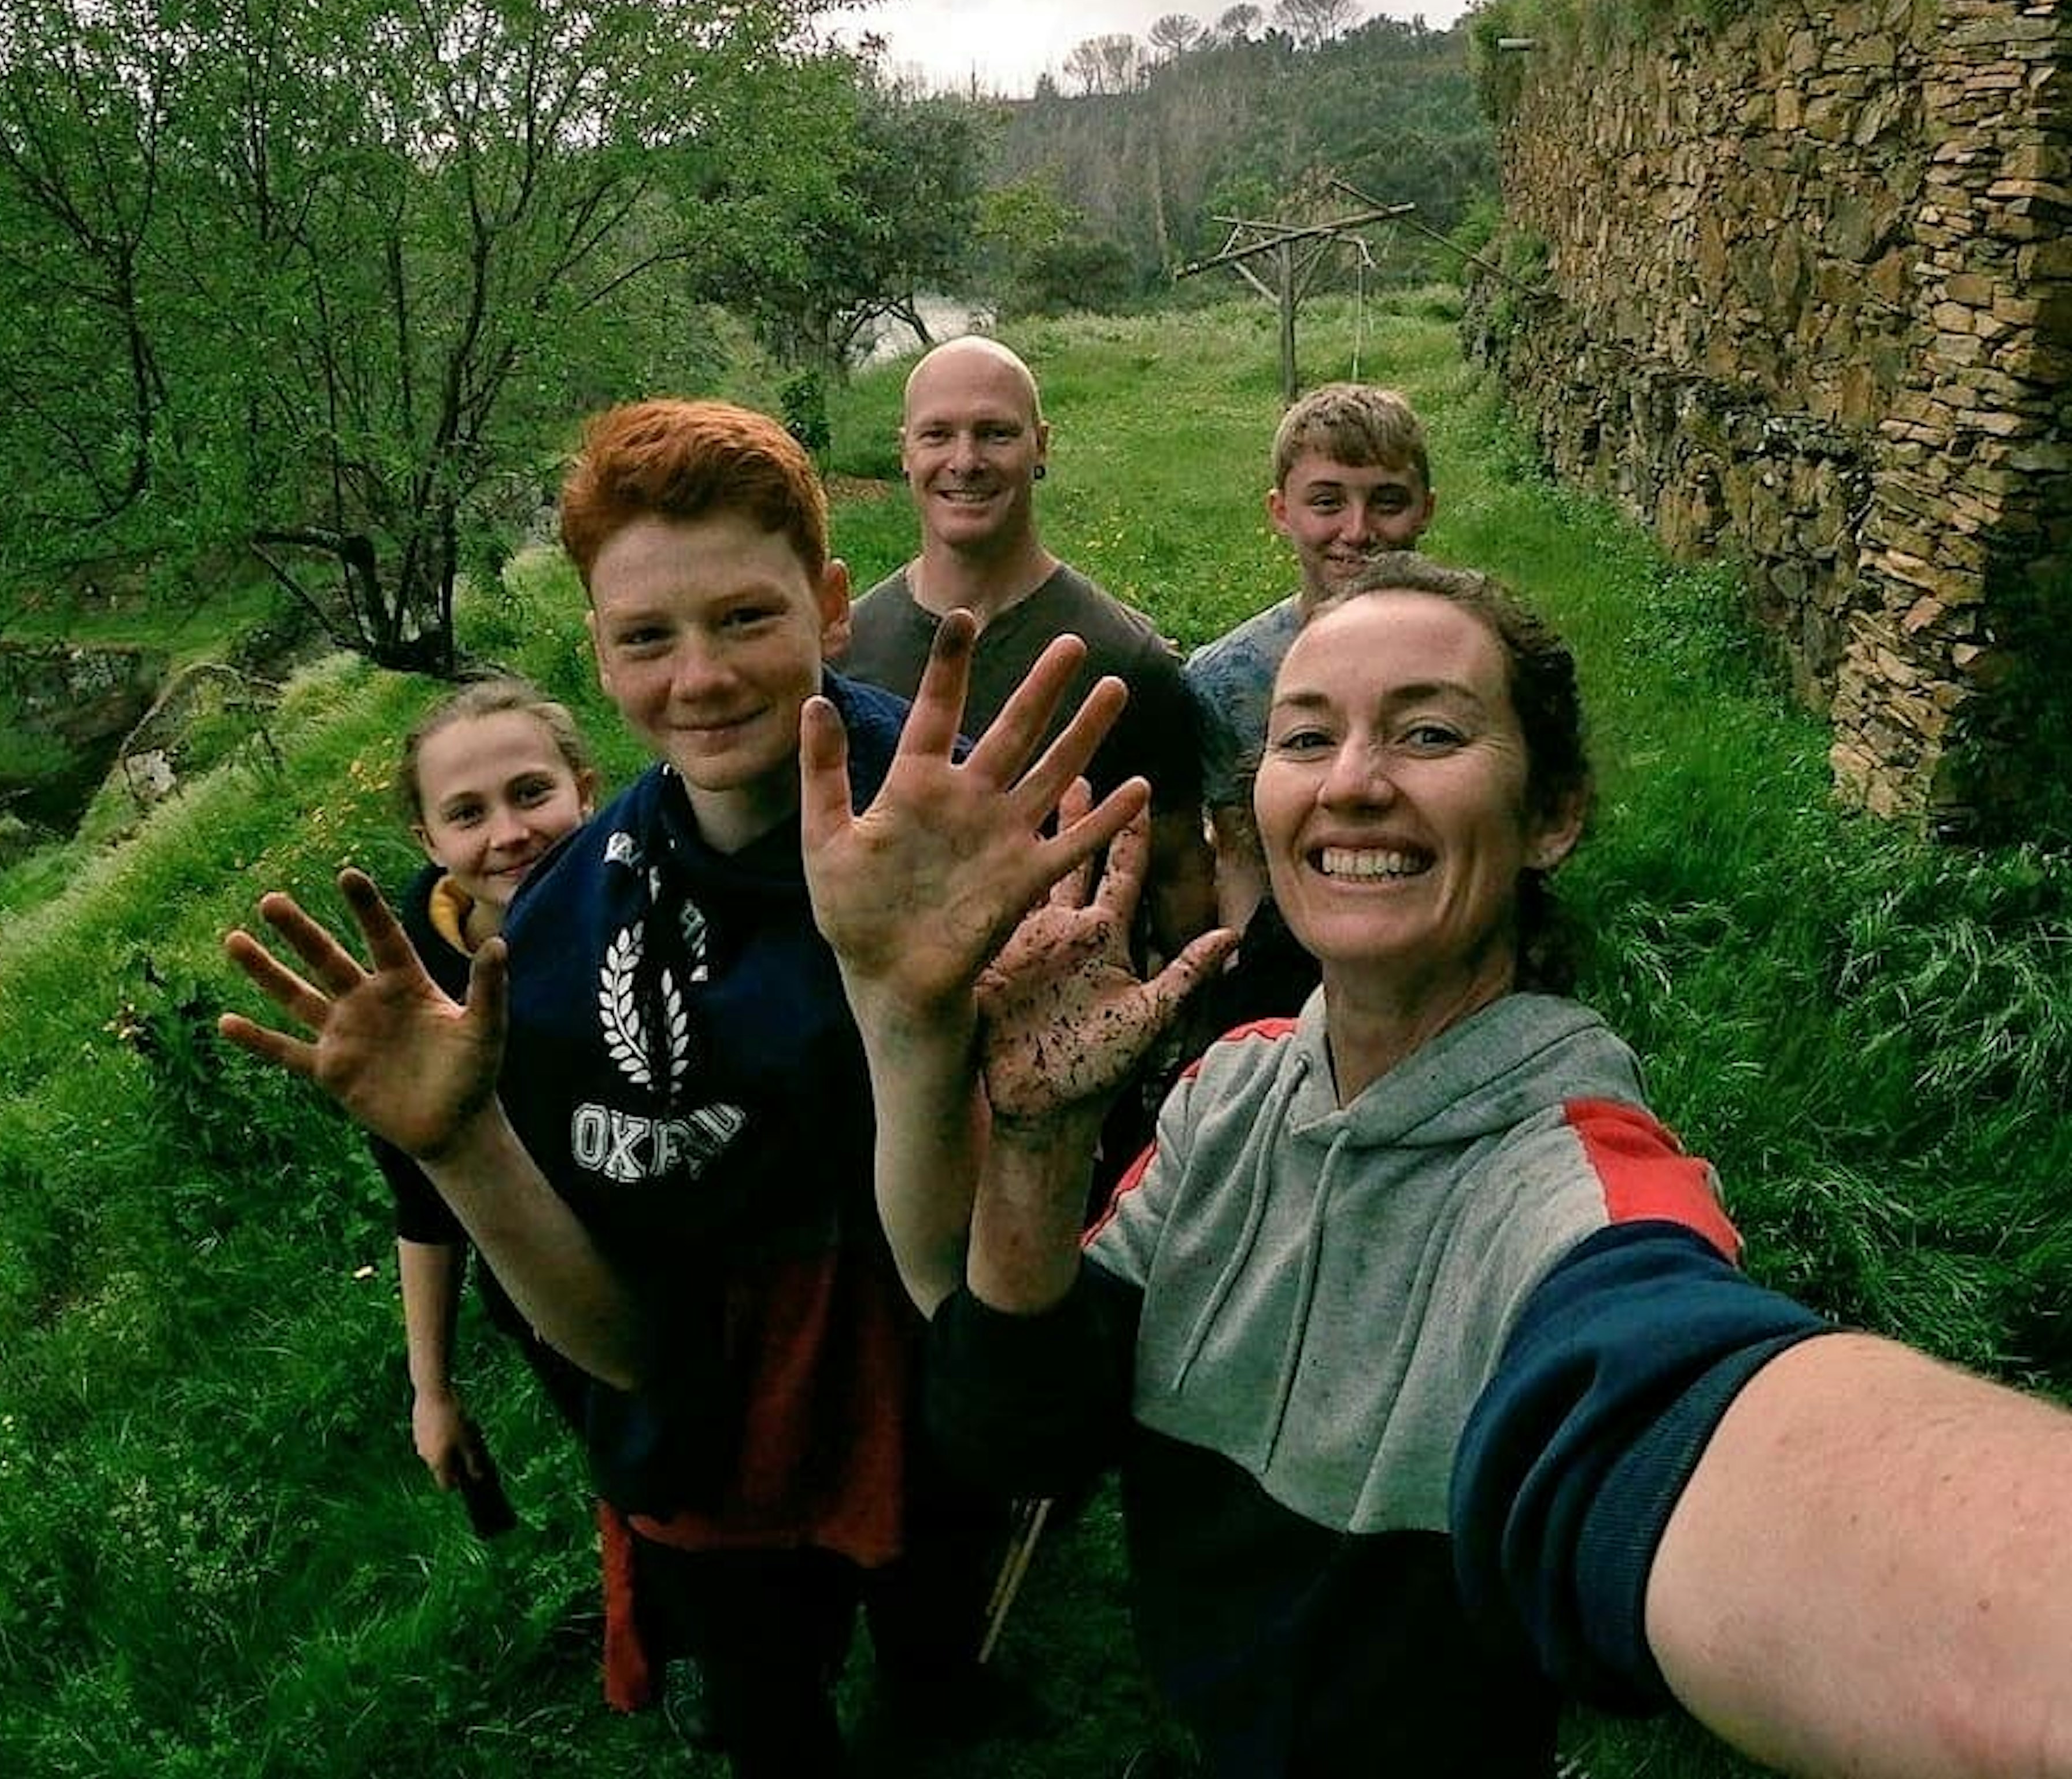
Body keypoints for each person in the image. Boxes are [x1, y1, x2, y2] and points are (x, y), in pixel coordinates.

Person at [799, 553, 2072, 1778]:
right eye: (1305, 736)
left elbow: (1673, 1411)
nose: (1352, 781)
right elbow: (1025, 1434)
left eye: (1429, 734)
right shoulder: (1224, 1090)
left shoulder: (1571, 1183)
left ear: (1553, 816)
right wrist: (1032, 1138)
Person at [220, 398, 1135, 1776]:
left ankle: (936, 1685)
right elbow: (629, 1346)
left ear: (830, 606)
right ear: (596, 651)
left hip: (936, 1387)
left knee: (934, 1638)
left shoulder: (967, 830)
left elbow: (991, 1256)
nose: (698, 677)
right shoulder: (562, 934)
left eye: (743, 619)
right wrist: (468, 1146)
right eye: (646, 636)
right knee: (769, 1706)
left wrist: (915, 1008)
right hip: (719, 1439)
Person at [843, 334, 1214, 961]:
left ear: (1041, 445)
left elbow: (1182, 878)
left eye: (995, 433)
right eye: (938, 435)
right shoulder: (847, 654)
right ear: (904, 451)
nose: (965, 460)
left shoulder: (1127, 662)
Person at [377, 677, 599, 1501]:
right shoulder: (417, 979)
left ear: (585, 791)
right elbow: (422, 1191)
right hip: (555, 1305)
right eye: (467, 814)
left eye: (532, 793)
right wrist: (432, 1391)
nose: (509, 834)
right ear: (429, 839)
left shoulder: (655, 892)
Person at [1182, 382, 1435, 1029]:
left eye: (1387, 502)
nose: (1358, 532)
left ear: (1425, 509)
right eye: (1327, 503)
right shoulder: (1226, 678)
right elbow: (1239, 853)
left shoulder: (1477, 660)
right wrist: (1249, 997)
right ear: (1281, 511)